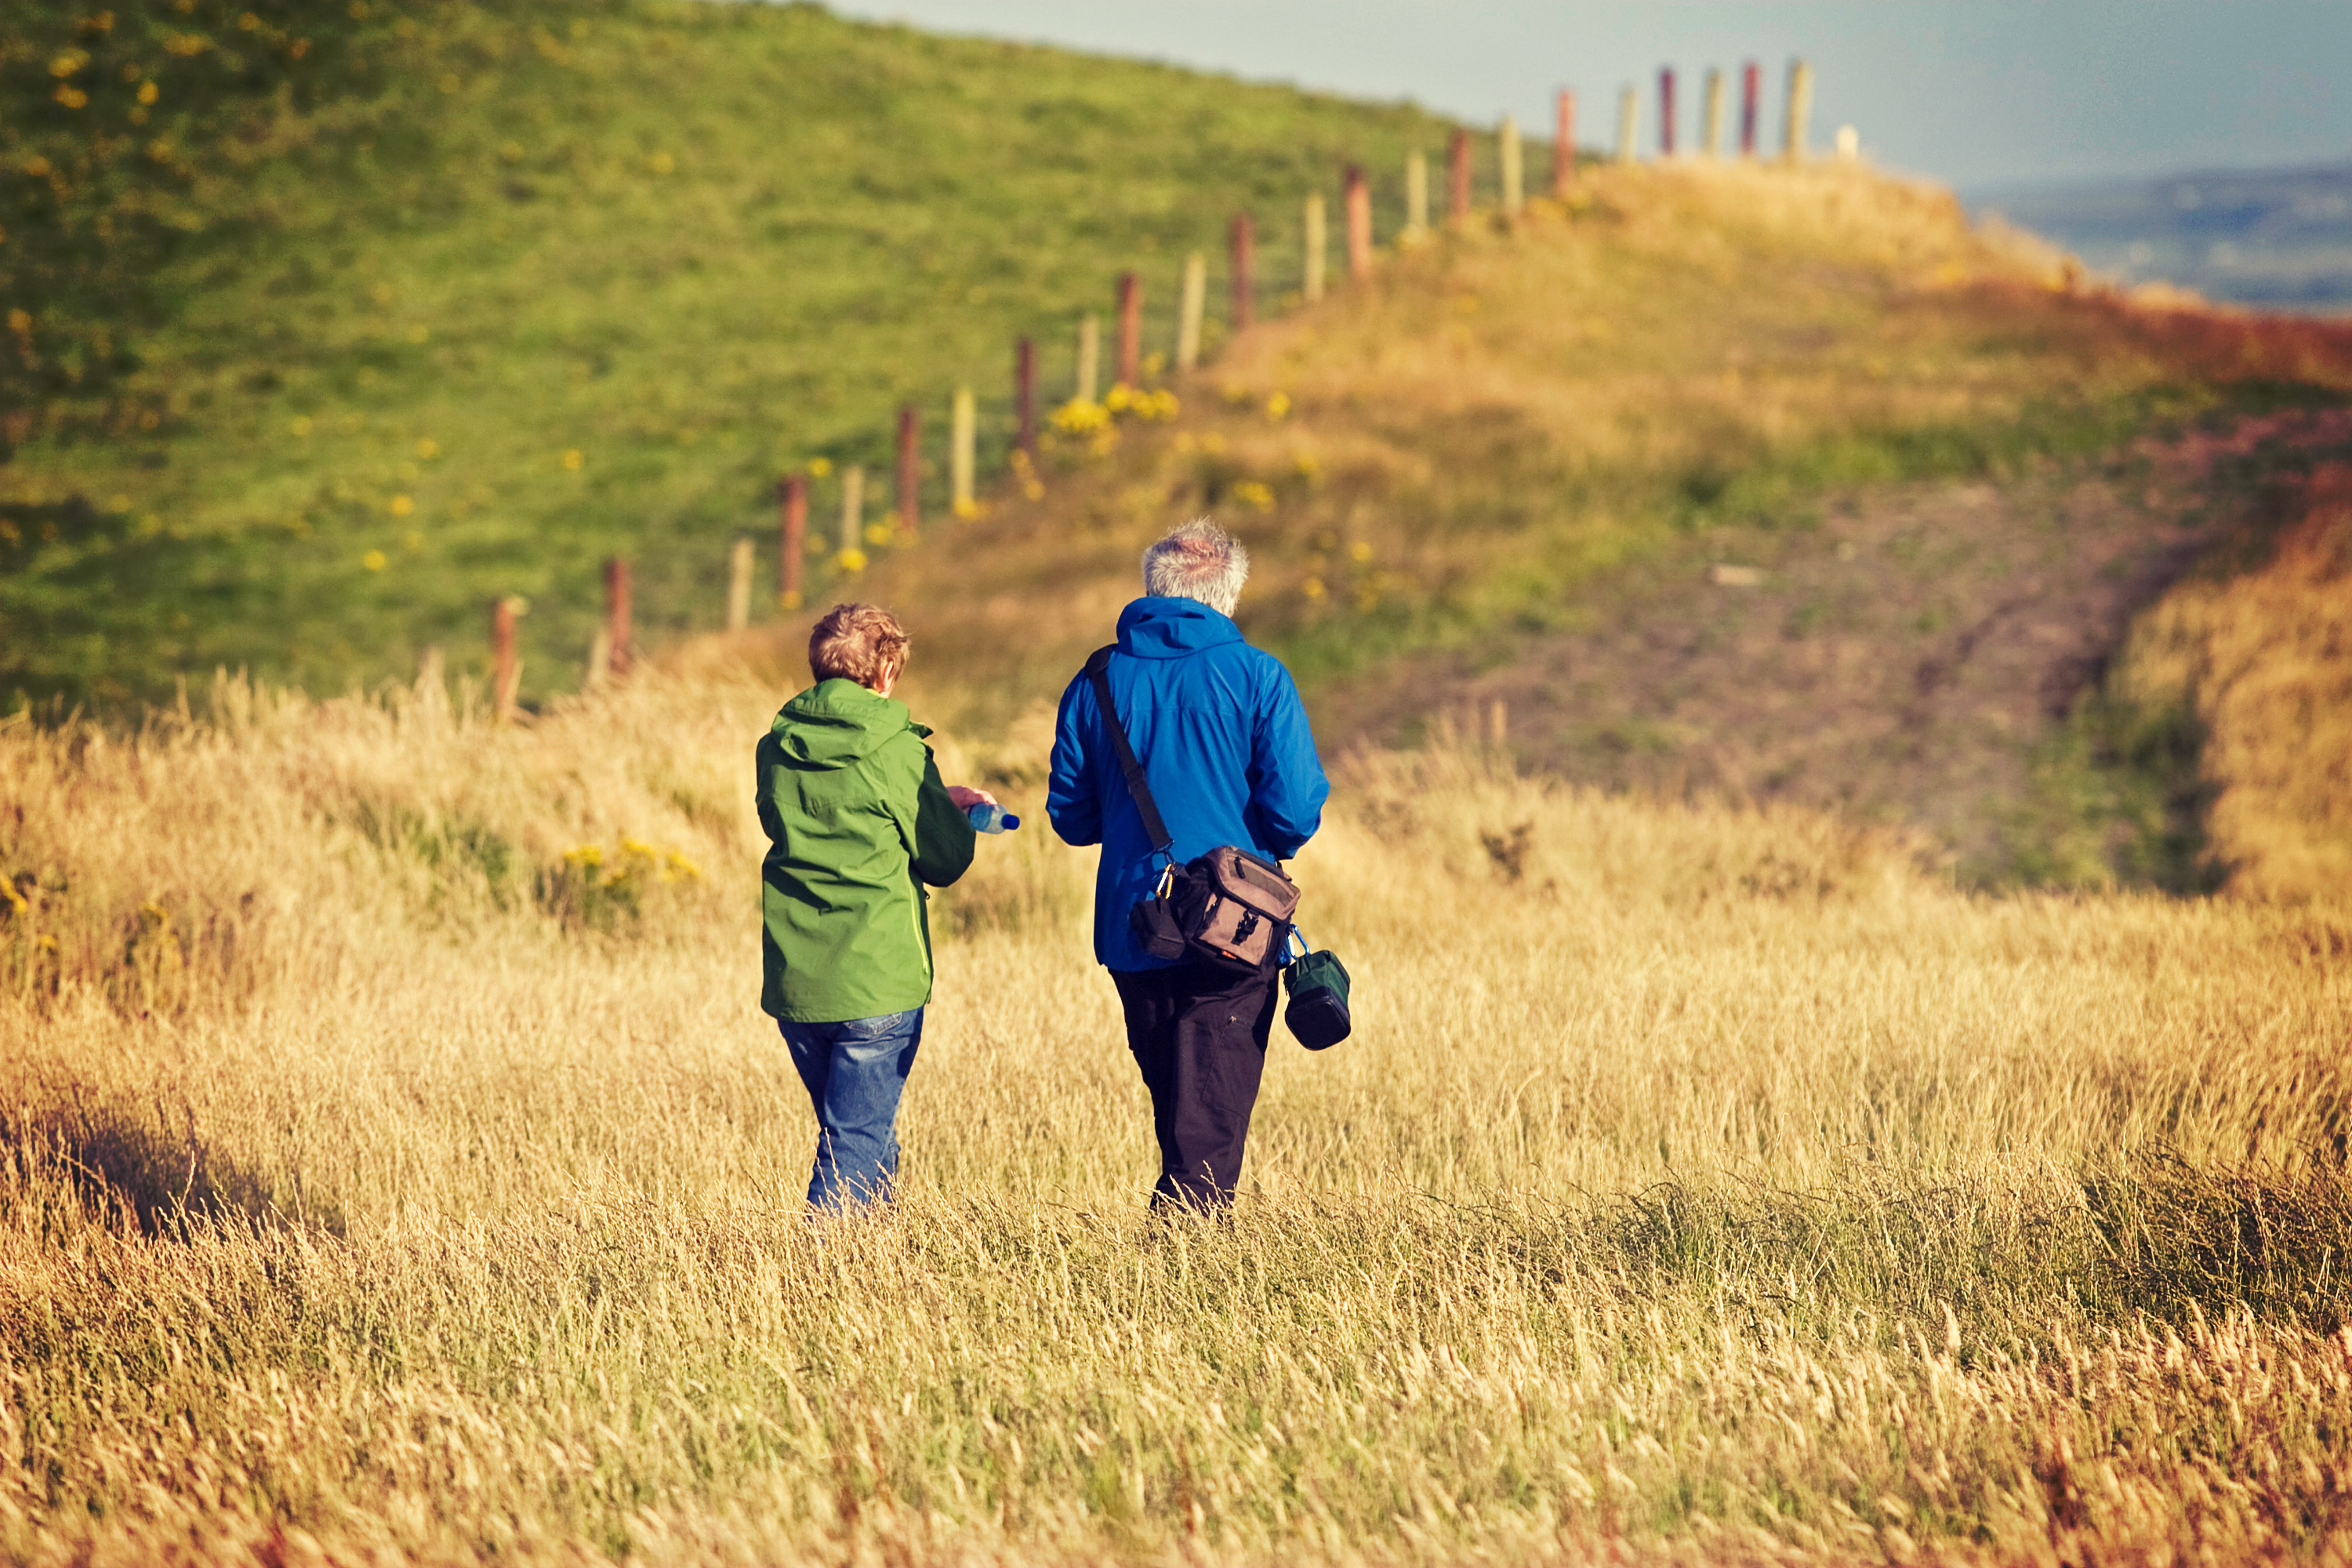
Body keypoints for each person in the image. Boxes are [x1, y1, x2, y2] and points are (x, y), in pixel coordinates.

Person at [1047, 519, 1330, 1212]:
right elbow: (1295, 811)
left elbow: (1071, 817)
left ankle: (1176, 1267)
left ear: (1153, 589)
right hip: (1236, 926)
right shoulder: (1259, 676)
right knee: (1207, 1130)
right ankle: (1179, 1274)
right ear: (1228, 596)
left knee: (1181, 1115)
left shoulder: (1097, 680)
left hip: (1134, 926)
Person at [757, 602, 996, 1212]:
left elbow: (805, 815)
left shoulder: (777, 745)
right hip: (877, 979)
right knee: (854, 1142)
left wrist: (934, 798)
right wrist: (955, 817)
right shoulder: (896, 746)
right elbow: (944, 861)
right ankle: (819, 1278)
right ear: (886, 668)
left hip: (799, 979)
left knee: (861, 1133)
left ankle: (874, 1269)